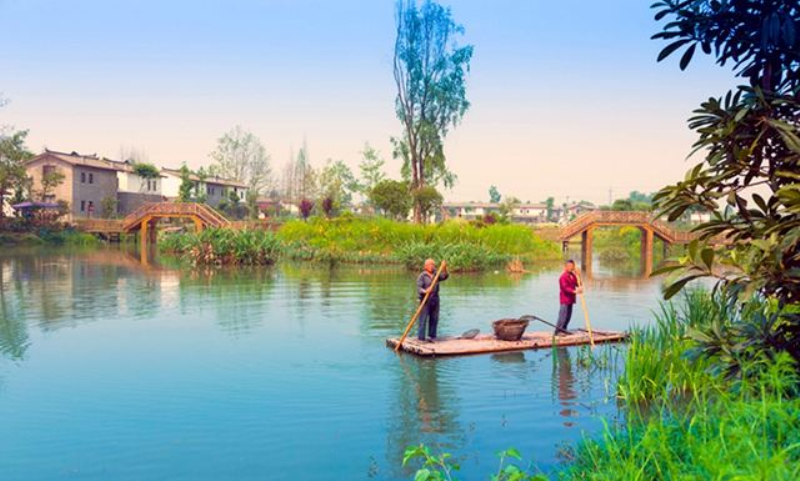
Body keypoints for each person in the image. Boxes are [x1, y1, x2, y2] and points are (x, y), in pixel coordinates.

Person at [417, 258, 449, 342]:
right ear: (425, 266)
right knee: (423, 319)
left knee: (434, 318)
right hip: (425, 300)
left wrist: (444, 267)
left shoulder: (436, 274)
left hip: (435, 299)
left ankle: (432, 337)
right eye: (430, 265)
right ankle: (421, 338)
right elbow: (419, 288)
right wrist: (425, 291)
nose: (432, 266)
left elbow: (445, 276)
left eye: (433, 265)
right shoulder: (422, 276)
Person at [555, 260, 582, 336]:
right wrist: (575, 291)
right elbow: (565, 288)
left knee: (568, 315)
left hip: (571, 299)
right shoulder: (563, 277)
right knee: (563, 315)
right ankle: (558, 331)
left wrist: (579, 276)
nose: (571, 268)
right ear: (565, 267)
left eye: (572, 266)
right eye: (569, 266)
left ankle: (564, 329)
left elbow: (578, 284)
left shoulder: (573, 275)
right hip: (565, 299)